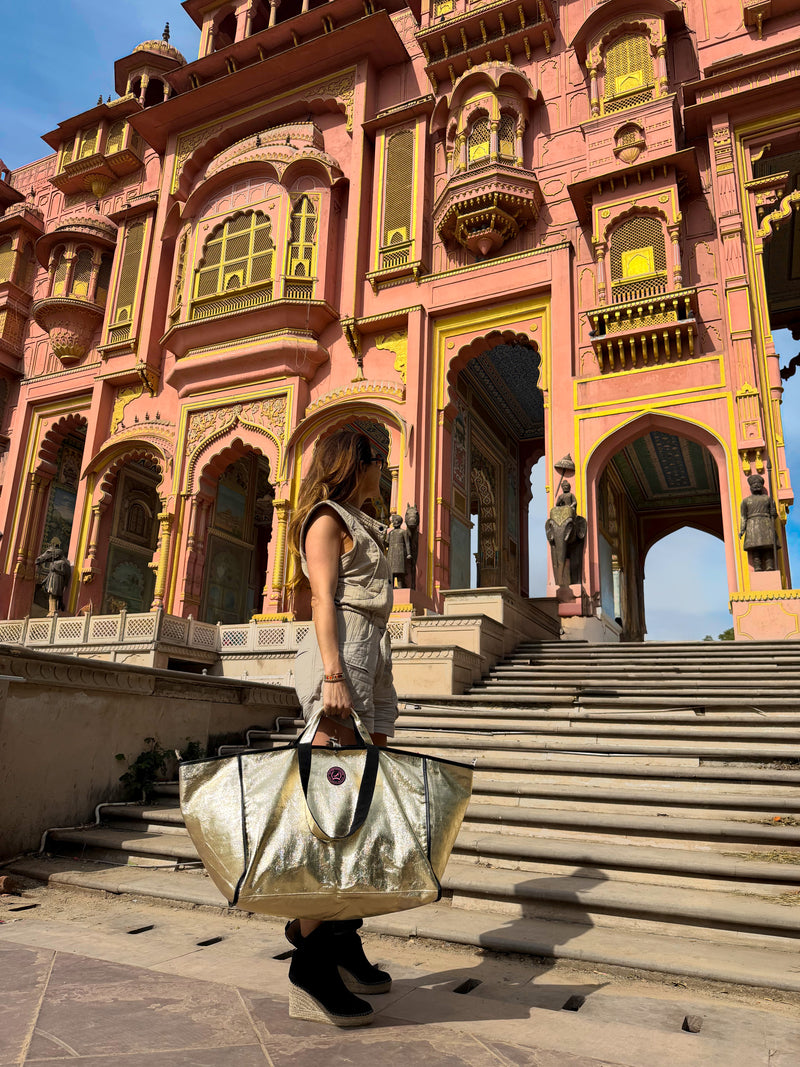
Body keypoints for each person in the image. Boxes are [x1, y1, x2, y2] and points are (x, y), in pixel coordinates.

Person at [286, 428, 397, 1028]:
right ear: (357, 463)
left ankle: (341, 939)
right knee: (332, 814)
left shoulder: (366, 520)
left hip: (374, 654)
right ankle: (312, 960)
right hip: (344, 654)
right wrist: (333, 674)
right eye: (379, 460)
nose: (385, 469)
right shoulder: (326, 520)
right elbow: (323, 599)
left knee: (364, 810)